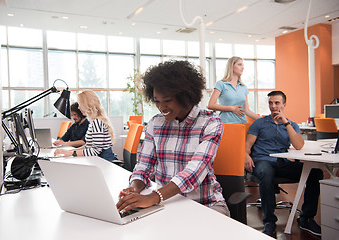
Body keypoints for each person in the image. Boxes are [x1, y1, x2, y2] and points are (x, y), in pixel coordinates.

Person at [116, 60, 230, 217]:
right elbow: (143, 167)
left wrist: (154, 197)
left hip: (206, 204)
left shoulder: (210, 123)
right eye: (157, 101)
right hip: (167, 204)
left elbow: (194, 172)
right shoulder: (155, 124)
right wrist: (134, 188)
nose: (161, 107)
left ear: (185, 96)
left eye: (167, 100)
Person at [245, 91, 323, 237]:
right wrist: (245, 155)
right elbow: (247, 145)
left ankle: (306, 218)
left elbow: (299, 145)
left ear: (284, 105)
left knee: (315, 172)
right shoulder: (259, 123)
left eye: (277, 103)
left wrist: (285, 123)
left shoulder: (291, 125)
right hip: (262, 161)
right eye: (270, 103)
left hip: (282, 163)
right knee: (267, 172)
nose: (273, 106)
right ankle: (269, 221)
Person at [54, 91, 117, 161]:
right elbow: (88, 147)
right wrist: (69, 151)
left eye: (80, 104)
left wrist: (71, 153)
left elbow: (95, 151)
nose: (79, 107)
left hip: (104, 161)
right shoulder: (93, 121)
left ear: (88, 105)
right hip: (98, 160)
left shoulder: (97, 122)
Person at [207, 56, 260, 123]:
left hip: (242, 124)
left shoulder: (243, 87)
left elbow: (247, 111)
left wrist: (264, 119)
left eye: (242, 65)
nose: (242, 67)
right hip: (226, 124)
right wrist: (231, 108)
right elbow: (210, 105)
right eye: (239, 64)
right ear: (231, 66)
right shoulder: (221, 84)